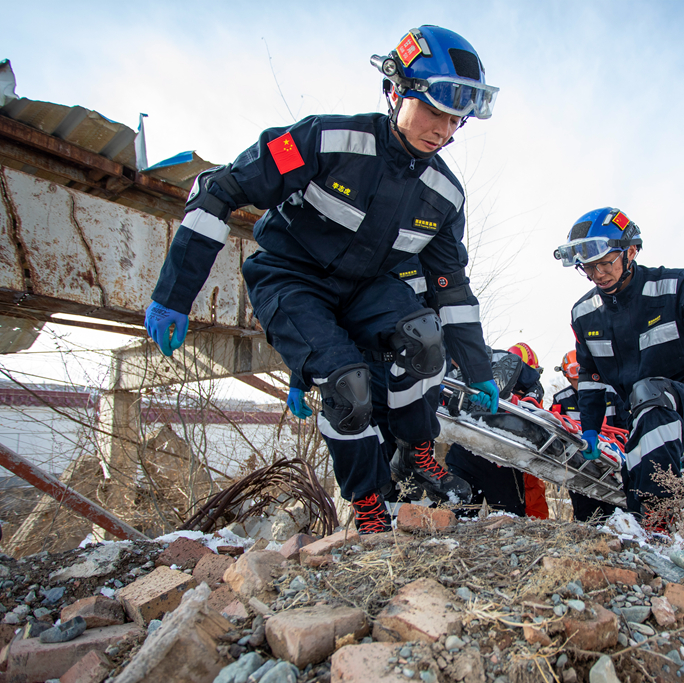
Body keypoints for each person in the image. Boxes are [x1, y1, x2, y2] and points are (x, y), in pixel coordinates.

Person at [143, 26, 501, 534]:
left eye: (455, 119)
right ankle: (369, 502)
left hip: (366, 286)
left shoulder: (444, 193)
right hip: (290, 277)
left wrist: (478, 365)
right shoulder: (325, 140)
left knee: (424, 339)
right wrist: (174, 295)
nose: (443, 130)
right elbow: (219, 189)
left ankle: (417, 452)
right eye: (432, 111)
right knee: (347, 387)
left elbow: (451, 287)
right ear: (395, 90)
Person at [555, 207, 684, 528]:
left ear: (630, 251)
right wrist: (591, 427)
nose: (597, 275)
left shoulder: (676, 286)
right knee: (633, 474)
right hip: (642, 416)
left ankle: (658, 522)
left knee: (649, 394)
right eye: (588, 268)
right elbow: (591, 374)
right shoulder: (584, 313)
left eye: (605, 263)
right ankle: (643, 529)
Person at [445, 343, 549, 517]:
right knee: (458, 516)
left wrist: (525, 407)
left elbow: (535, 385)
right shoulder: (439, 367)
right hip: (462, 449)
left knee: (508, 517)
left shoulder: (503, 358)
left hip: (501, 452)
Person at [549, 349, 626, 522]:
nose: (581, 384)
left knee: (617, 513)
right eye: (576, 379)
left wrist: (613, 449)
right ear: (567, 377)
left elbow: (624, 427)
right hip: (580, 468)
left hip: (612, 465)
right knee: (586, 513)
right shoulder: (561, 399)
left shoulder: (612, 392)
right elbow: (557, 431)